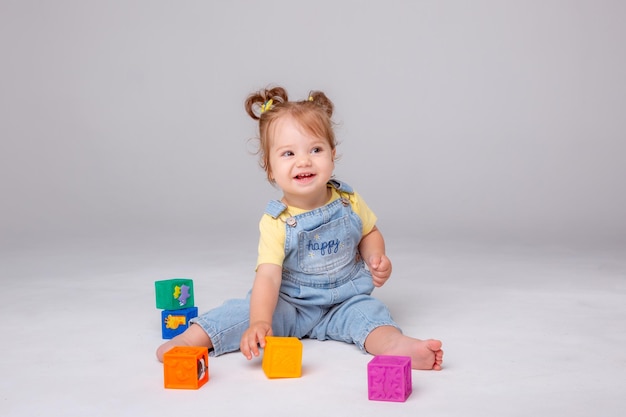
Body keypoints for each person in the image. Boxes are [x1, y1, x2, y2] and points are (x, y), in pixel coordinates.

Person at [156, 86, 443, 370]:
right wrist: (260, 321)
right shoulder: (276, 221)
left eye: (315, 149)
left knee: (372, 317)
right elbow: (267, 277)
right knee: (240, 314)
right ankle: (192, 339)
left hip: (346, 300)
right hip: (291, 305)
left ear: (332, 154)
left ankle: (397, 346)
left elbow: (369, 232)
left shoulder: (349, 200)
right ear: (269, 167)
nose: (303, 161)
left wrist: (376, 257)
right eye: (288, 154)